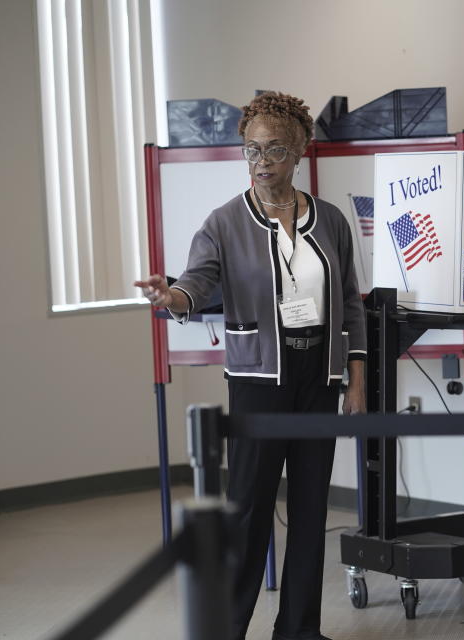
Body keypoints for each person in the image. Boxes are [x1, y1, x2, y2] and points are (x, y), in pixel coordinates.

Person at [135, 91, 367, 640]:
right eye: (252, 150)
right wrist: (173, 298)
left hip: (320, 378)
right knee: (248, 510)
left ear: (301, 150)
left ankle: (299, 630)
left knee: (311, 509)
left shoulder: (330, 220)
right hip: (259, 380)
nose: (262, 162)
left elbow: (351, 304)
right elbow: (199, 280)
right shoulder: (224, 223)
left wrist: (355, 380)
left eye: (275, 150)